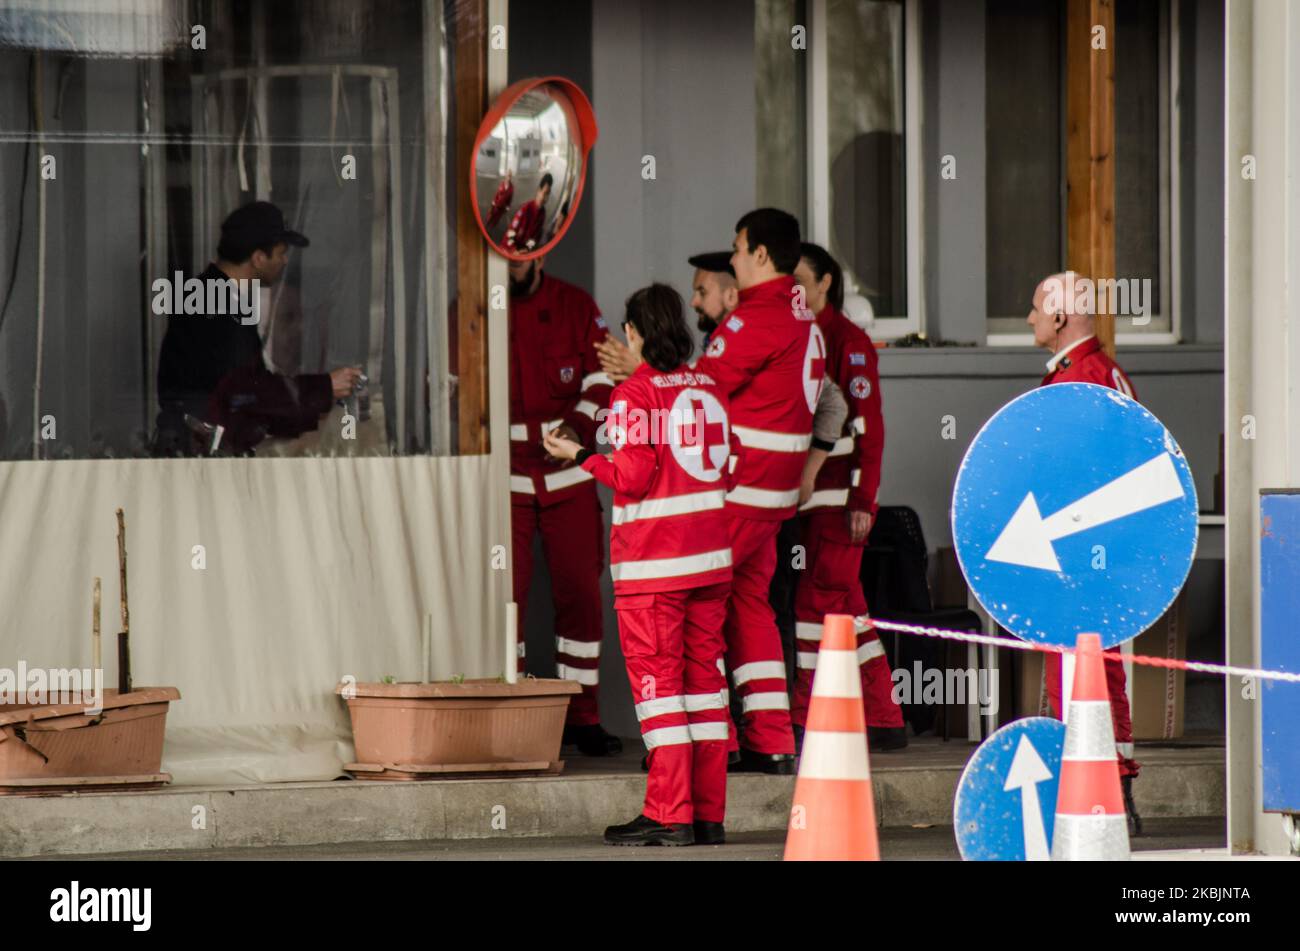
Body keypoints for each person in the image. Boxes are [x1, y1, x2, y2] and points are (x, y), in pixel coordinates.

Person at [546, 284, 736, 846]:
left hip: (655, 570)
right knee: (704, 688)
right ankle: (707, 816)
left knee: (659, 691)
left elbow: (630, 477)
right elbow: (731, 466)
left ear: (634, 333)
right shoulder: (711, 386)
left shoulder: (633, 395)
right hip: (711, 563)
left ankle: (668, 814)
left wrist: (581, 455)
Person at [688, 208, 825, 774]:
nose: (734, 258)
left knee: (699, 604)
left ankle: (713, 742)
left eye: (739, 249)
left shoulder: (755, 318)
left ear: (762, 255)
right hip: (773, 496)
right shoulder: (801, 313)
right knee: (751, 608)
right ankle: (772, 739)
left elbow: (699, 389)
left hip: (738, 491)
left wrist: (641, 375)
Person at [1026, 271, 1142, 835]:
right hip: (1101, 551)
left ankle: (1097, 793)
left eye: (1034, 309)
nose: (1028, 319)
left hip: (1080, 553)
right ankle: (1110, 785)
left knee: (1078, 673)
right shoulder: (1103, 372)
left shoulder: (1081, 379)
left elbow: (1073, 475)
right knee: (1098, 671)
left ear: (1059, 317)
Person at [790, 242, 905, 752]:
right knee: (849, 611)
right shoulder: (802, 335)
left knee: (815, 605)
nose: (791, 290)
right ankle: (883, 718)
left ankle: (803, 715)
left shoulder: (847, 341)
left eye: (799, 281)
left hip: (838, 502)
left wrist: (863, 500)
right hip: (816, 501)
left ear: (825, 284)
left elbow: (869, 428)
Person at [508, 253, 621, 756]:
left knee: (580, 593)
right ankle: (505, 712)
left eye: (523, 253)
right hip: (505, 479)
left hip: (570, 474)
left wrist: (576, 428)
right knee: (504, 599)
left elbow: (601, 379)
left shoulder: (576, 306)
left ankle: (583, 715)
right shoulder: (469, 306)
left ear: (543, 253)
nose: (513, 263)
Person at [153, 201, 362, 456]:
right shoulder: (214, 306)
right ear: (259, 258)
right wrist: (324, 387)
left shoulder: (212, 297)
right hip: (199, 464)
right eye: (281, 252)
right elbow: (248, 393)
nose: (285, 261)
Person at [504, 173, 552, 253]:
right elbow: (509, 234)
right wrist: (514, 250)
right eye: (544, 192)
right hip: (510, 250)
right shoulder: (525, 210)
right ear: (539, 190)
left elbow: (535, 238)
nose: (544, 198)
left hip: (523, 253)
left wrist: (527, 249)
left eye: (548, 194)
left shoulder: (542, 215)